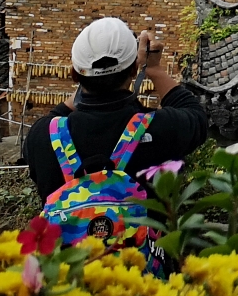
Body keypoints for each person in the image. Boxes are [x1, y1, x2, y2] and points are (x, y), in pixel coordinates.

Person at [22, 17, 209, 203]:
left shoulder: (43, 136)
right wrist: (153, 69)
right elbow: (196, 116)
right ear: (134, 70)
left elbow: (55, 117)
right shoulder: (162, 127)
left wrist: (88, 78)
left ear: (74, 75)